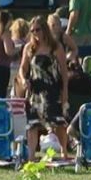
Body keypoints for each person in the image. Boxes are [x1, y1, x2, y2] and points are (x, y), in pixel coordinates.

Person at [19, 15, 69, 159]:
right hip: (35, 90)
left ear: (45, 30)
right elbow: (23, 68)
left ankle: (64, 152)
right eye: (32, 30)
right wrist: (23, 80)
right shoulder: (29, 48)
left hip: (52, 90)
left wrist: (64, 92)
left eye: (38, 30)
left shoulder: (55, 47)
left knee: (58, 122)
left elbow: (64, 73)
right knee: (33, 124)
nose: (35, 33)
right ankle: (31, 156)